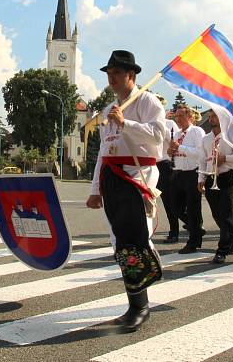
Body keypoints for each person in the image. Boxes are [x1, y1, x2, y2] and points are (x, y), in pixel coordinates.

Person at [86, 50, 165, 332]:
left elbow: (159, 137)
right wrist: (96, 188)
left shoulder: (148, 101)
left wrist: (126, 123)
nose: (112, 78)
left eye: (117, 73)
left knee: (132, 238)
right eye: (109, 74)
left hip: (137, 174)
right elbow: (103, 153)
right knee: (118, 242)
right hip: (112, 176)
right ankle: (136, 298)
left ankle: (139, 306)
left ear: (131, 75)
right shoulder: (108, 109)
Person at [196, 111, 233, 263]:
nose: (211, 119)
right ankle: (232, 237)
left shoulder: (231, 136)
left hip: (225, 177)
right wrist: (201, 178)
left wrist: (226, 158)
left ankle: (222, 250)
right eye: (210, 117)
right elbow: (203, 160)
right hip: (211, 178)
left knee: (226, 214)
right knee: (217, 214)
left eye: (214, 116)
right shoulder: (206, 139)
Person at [167, 104, 205, 253]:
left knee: (193, 208)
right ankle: (196, 228)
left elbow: (200, 153)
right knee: (175, 207)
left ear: (190, 117)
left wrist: (179, 148)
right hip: (178, 173)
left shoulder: (197, 131)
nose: (178, 119)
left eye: (181, 116)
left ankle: (193, 242)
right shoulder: (177, 134)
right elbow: (174, 152)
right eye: (176, 116)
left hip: (192, 173)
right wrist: (171, 151)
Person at [156, 100, 182, 243]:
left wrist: (161, 124)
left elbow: (174, 142)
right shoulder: (147, 123)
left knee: (170, 200)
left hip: (166, 164)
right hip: (151, 165)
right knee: (162, 201)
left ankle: (176, 230)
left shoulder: (170, 124)